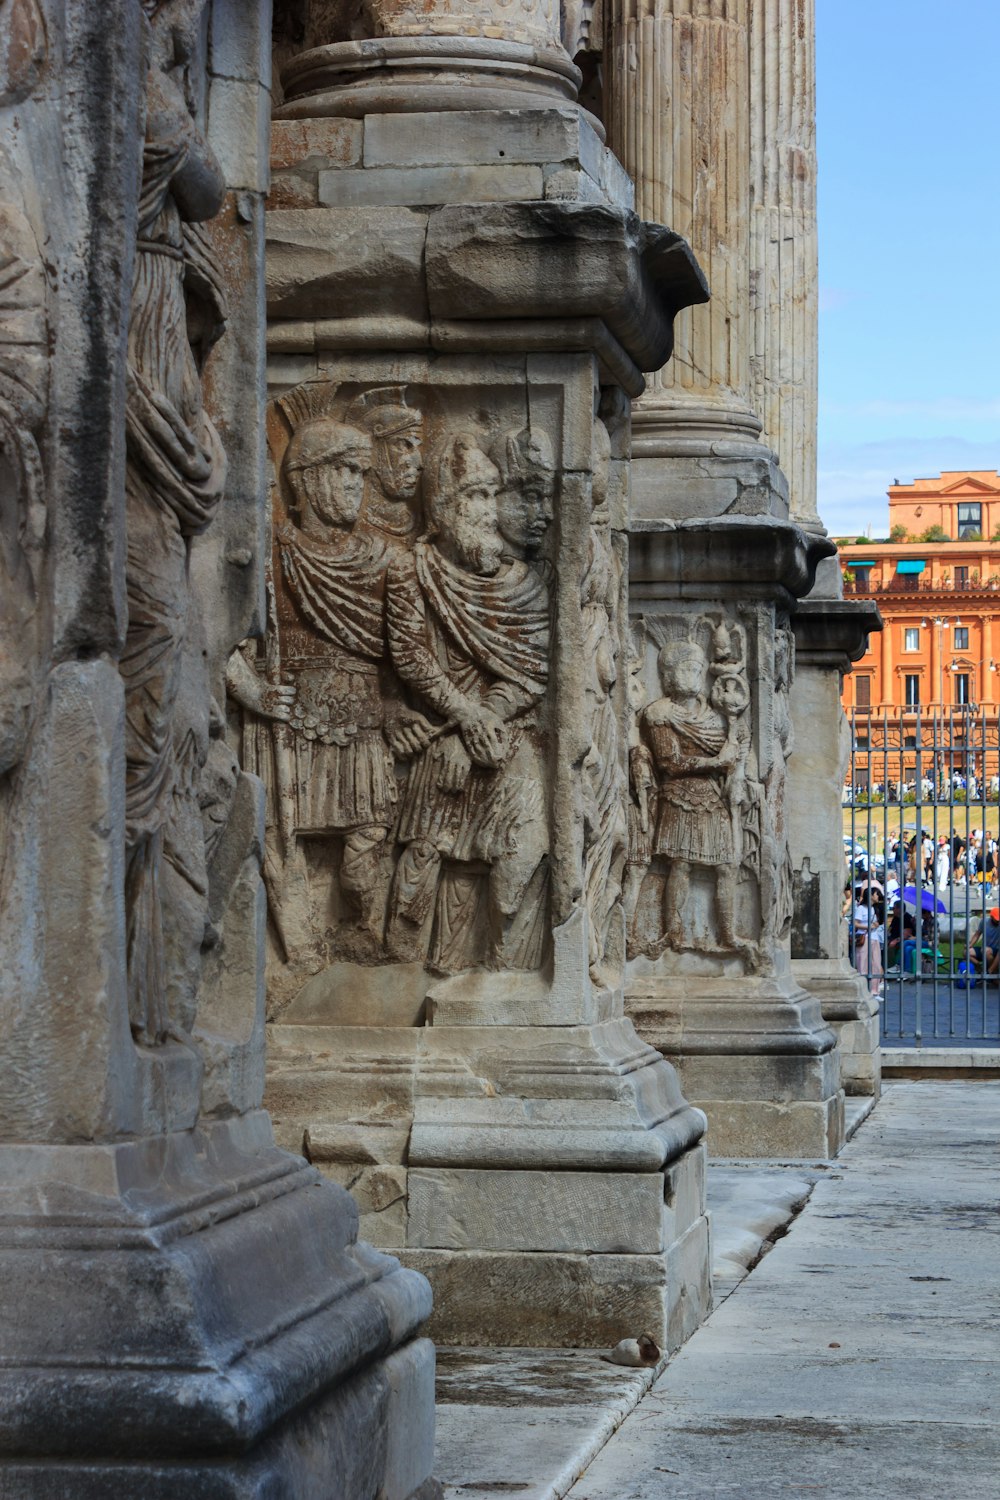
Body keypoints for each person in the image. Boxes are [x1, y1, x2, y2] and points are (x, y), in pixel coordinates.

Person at [970, 905, 1000, 976]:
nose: (998, 921)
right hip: (984, 949)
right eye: (997, 919)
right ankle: (980, 968)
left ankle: (991, 972)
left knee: (987, 951)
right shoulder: (984, 922)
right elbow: (977, 934)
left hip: (996, 950)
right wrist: (970, 945)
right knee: (967, 952)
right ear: (991, 917)